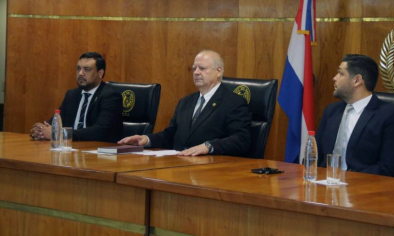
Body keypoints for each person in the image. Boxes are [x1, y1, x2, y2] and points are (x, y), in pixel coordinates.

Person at [118, 50, 251, 156]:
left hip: (211, 168)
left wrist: (208, 146)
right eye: (194, 68)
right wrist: (147, 139)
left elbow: (241, 139)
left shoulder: (233, 102)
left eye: (202, 68)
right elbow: (171, 135)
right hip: (179, 164)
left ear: (218, 71)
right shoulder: (186, 102)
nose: (196, 72)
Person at [316, 54, 394, 177]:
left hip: (363, 188)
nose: (334, 78)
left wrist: (348, 180)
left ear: (357, 80)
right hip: (324, 185)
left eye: (341, 73)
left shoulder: (390, 116)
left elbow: (390, 167)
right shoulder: (332, 111)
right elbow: (316, 156)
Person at [31, 52, 123, 143]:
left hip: (100, 152)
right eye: (78, 69)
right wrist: (41, 130)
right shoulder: (72, 94)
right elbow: (58, 120)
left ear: (100, 73)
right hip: (71, 149)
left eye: (87, 69)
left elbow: (99, 131)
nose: (80, 73)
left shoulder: (111, 96)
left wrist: (59, 134)